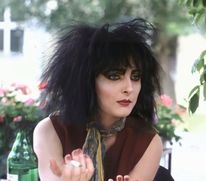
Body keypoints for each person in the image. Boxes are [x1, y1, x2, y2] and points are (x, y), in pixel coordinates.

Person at [33, 18, 163, 181]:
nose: (129, 88)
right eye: (114, 76)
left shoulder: (148, 141)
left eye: (136, 77)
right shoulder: (50, 131)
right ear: (85, 81)